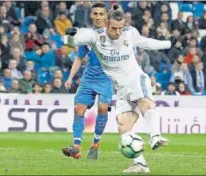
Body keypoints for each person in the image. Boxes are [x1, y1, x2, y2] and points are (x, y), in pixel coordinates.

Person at [63, 4, 171, 173]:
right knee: (123, 126)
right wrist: (69, 36)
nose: (118, 32)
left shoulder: (129, 32)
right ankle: (140, 163)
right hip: (120, 88)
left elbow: (146, 42)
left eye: (120, 28)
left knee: (145, 103)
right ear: (106, 24)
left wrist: (167, 43)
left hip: (135, 78)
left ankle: (155, 135)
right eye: (114, 28)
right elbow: (72, 41)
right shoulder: (95, 37)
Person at [62, 2, 113, 160]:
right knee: (79, 109)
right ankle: (76, 147)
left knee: (103, 108)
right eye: (95, 14)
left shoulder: (114, 35)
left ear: (106, 16)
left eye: (101, 14)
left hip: (106, 79)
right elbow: (79, 58)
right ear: (91, 15)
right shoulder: (87, 36)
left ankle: (95, 143)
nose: (98, 17)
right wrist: (70, 77)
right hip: (88, 78)